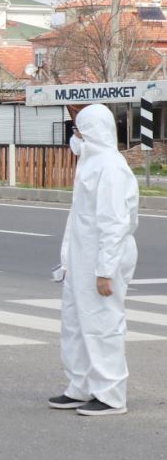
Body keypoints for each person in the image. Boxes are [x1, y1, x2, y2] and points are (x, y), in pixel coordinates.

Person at [48, 103, 139, 416]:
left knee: (102, 324)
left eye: (78, 131)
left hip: (102, 260)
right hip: (82, 257)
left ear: (92, 132)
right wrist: (67, 262)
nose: (75, 137)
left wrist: (105, 270)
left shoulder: (110, 168)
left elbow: (114, 223)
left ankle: (111, 393)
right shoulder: (90, 163)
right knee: (75, 324)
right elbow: (79, 220)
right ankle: (81, 386)